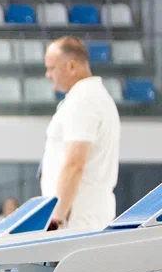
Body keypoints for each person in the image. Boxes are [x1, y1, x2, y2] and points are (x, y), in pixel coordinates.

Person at [41, 36, 121, 231]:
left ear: (71, 67)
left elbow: (75, 163)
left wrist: (56, 218)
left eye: (52, 68)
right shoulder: (92, 97)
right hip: (85, 216)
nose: (47, 75)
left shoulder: (84, 100)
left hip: (75, 220)